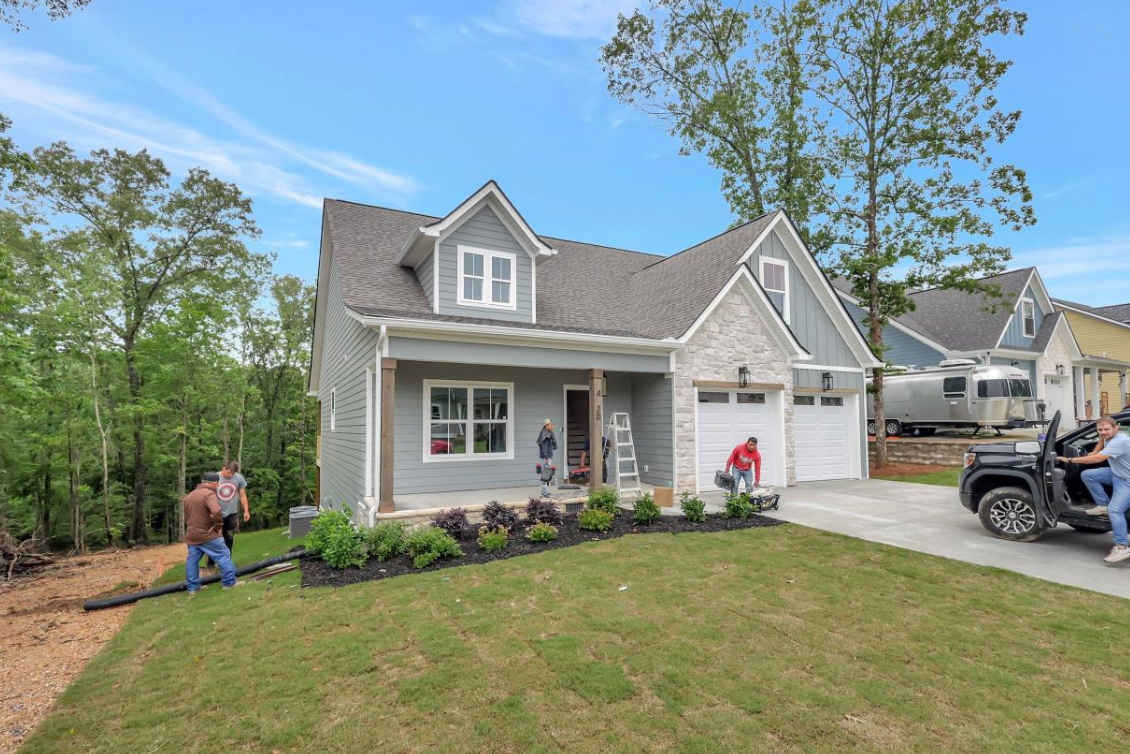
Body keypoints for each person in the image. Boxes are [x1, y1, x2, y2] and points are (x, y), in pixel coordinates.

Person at [1057, 416, 1130, 563]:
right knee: (1088, 475)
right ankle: (1103, 505)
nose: (1103, 432)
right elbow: (1102, 441)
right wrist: (1096, 450)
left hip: (1126, 480)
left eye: (1106, 429)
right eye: (1100, 430)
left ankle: (1122, 547)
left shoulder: (1120, 441)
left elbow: (1098, 459)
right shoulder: (1109, 436)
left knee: (1115, 511)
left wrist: (1069, 460)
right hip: (1116, 474)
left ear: (1116, 428)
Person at [183, 472, 238, 593]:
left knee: (192, 561)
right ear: (214, 483)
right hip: (208, 534)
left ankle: (193, 588)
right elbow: (216, 511)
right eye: (218, 484)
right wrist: (218, 526)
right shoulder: (209, 494)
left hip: (192, 535)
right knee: (223, 554)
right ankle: (229, 583)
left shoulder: (189, 496)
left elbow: (188, 516)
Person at [215, 460, 249, 558]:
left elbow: (242, 495)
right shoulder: (215, 477)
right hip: (217, 513)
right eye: (229, 472)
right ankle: (211, 563)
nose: (231, 475)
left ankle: (227, 560)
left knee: (229, 537)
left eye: (233, 473)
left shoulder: (239, 478)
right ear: (224, 468)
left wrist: (246, 511)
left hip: (231, 513)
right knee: (216, 539)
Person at [537, 419, 558, 496]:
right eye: (551, 424)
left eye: (552, 424)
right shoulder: (545, 434)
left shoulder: (549, 433)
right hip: (547, 457)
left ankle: (544, 491)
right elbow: (544, 447)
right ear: (546, 426)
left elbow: (553, 440)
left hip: (548, 456)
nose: (552, 426)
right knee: (546, 475)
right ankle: (545, 492)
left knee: (546, 474)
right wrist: (546, 457)